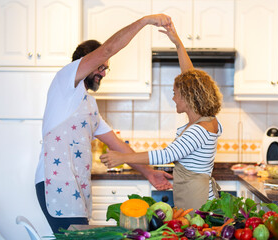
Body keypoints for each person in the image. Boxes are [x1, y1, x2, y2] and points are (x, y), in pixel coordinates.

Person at [34, 14, 174, 234]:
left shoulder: (88, 104)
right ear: (86, 61)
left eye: (105, 69)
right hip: (56, 183)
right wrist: (145, 21)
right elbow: (108, 48)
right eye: (100, 67)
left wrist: (148, 173)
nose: (103, 74)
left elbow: (117, 144)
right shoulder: (66, 80)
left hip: (74, 187)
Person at [100, 22, 223, 212]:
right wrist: (178, 44)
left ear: (188, 97)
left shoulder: (198, 130)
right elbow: (191, 78)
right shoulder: (208, 120)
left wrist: (122, 157)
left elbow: (166, 154)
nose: (173, 98)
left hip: (199, 205)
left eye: (175, 93)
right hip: (197, 197)